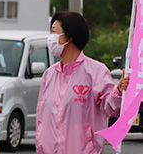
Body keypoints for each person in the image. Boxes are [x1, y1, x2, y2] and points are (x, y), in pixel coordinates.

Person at [35, 12, 129, 154]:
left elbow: (111, 108)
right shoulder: (49, 75)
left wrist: (119, 91)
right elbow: (41, 120)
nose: (50, 38)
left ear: (70, 37)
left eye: (54, 32)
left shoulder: (96, 72)